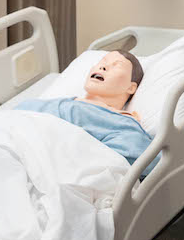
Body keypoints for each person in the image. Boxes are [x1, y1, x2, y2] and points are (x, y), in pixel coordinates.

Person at [16, 50, 157, 176]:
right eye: (102, 62)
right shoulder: (55, 103)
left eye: (117, 65)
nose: (103, 66)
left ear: (131, 87)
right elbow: (13, 118)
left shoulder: (122, 122)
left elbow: (141, 159)